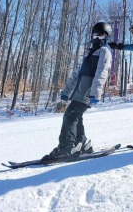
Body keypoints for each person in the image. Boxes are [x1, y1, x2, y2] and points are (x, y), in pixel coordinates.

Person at [42, 22, 113, 160]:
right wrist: (66, 91)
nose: (97, 38)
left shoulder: (105, 51)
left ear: (107, 37)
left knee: (70, 115)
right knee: (76, 116)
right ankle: (83, 143)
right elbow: (77, 73)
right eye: (95, 35)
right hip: (80, 91)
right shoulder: (90, 52)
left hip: (88, 91)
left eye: (101, 35)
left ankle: (66, 147)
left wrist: (95, 93)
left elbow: (101, 72)